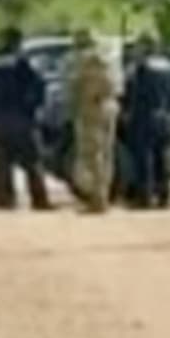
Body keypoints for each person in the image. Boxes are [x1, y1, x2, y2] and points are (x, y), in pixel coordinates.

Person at [0, 26, 53, 211]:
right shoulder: (22, 60)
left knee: (0, 161)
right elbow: (38, 86)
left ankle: (2, 199)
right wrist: (32, 109)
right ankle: (39, 200)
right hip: (20, 117)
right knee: (32, 160)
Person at [121, 32, 170, 209]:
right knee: (161, 158)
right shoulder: (168, 67)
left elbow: (135, 95)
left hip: (144, 117)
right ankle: (164, 194)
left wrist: (128, 114)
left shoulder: (142, 69)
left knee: (144, 159)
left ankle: (144, 195)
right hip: (163, 115)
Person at [69, 28, 119, 214]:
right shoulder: (110, 58)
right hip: (110, 106)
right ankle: (103, 195)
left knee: (93, 155)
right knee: (106, 154)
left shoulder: (85, 60)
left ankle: (97, 199)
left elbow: (75, 87)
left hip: (91, 109)